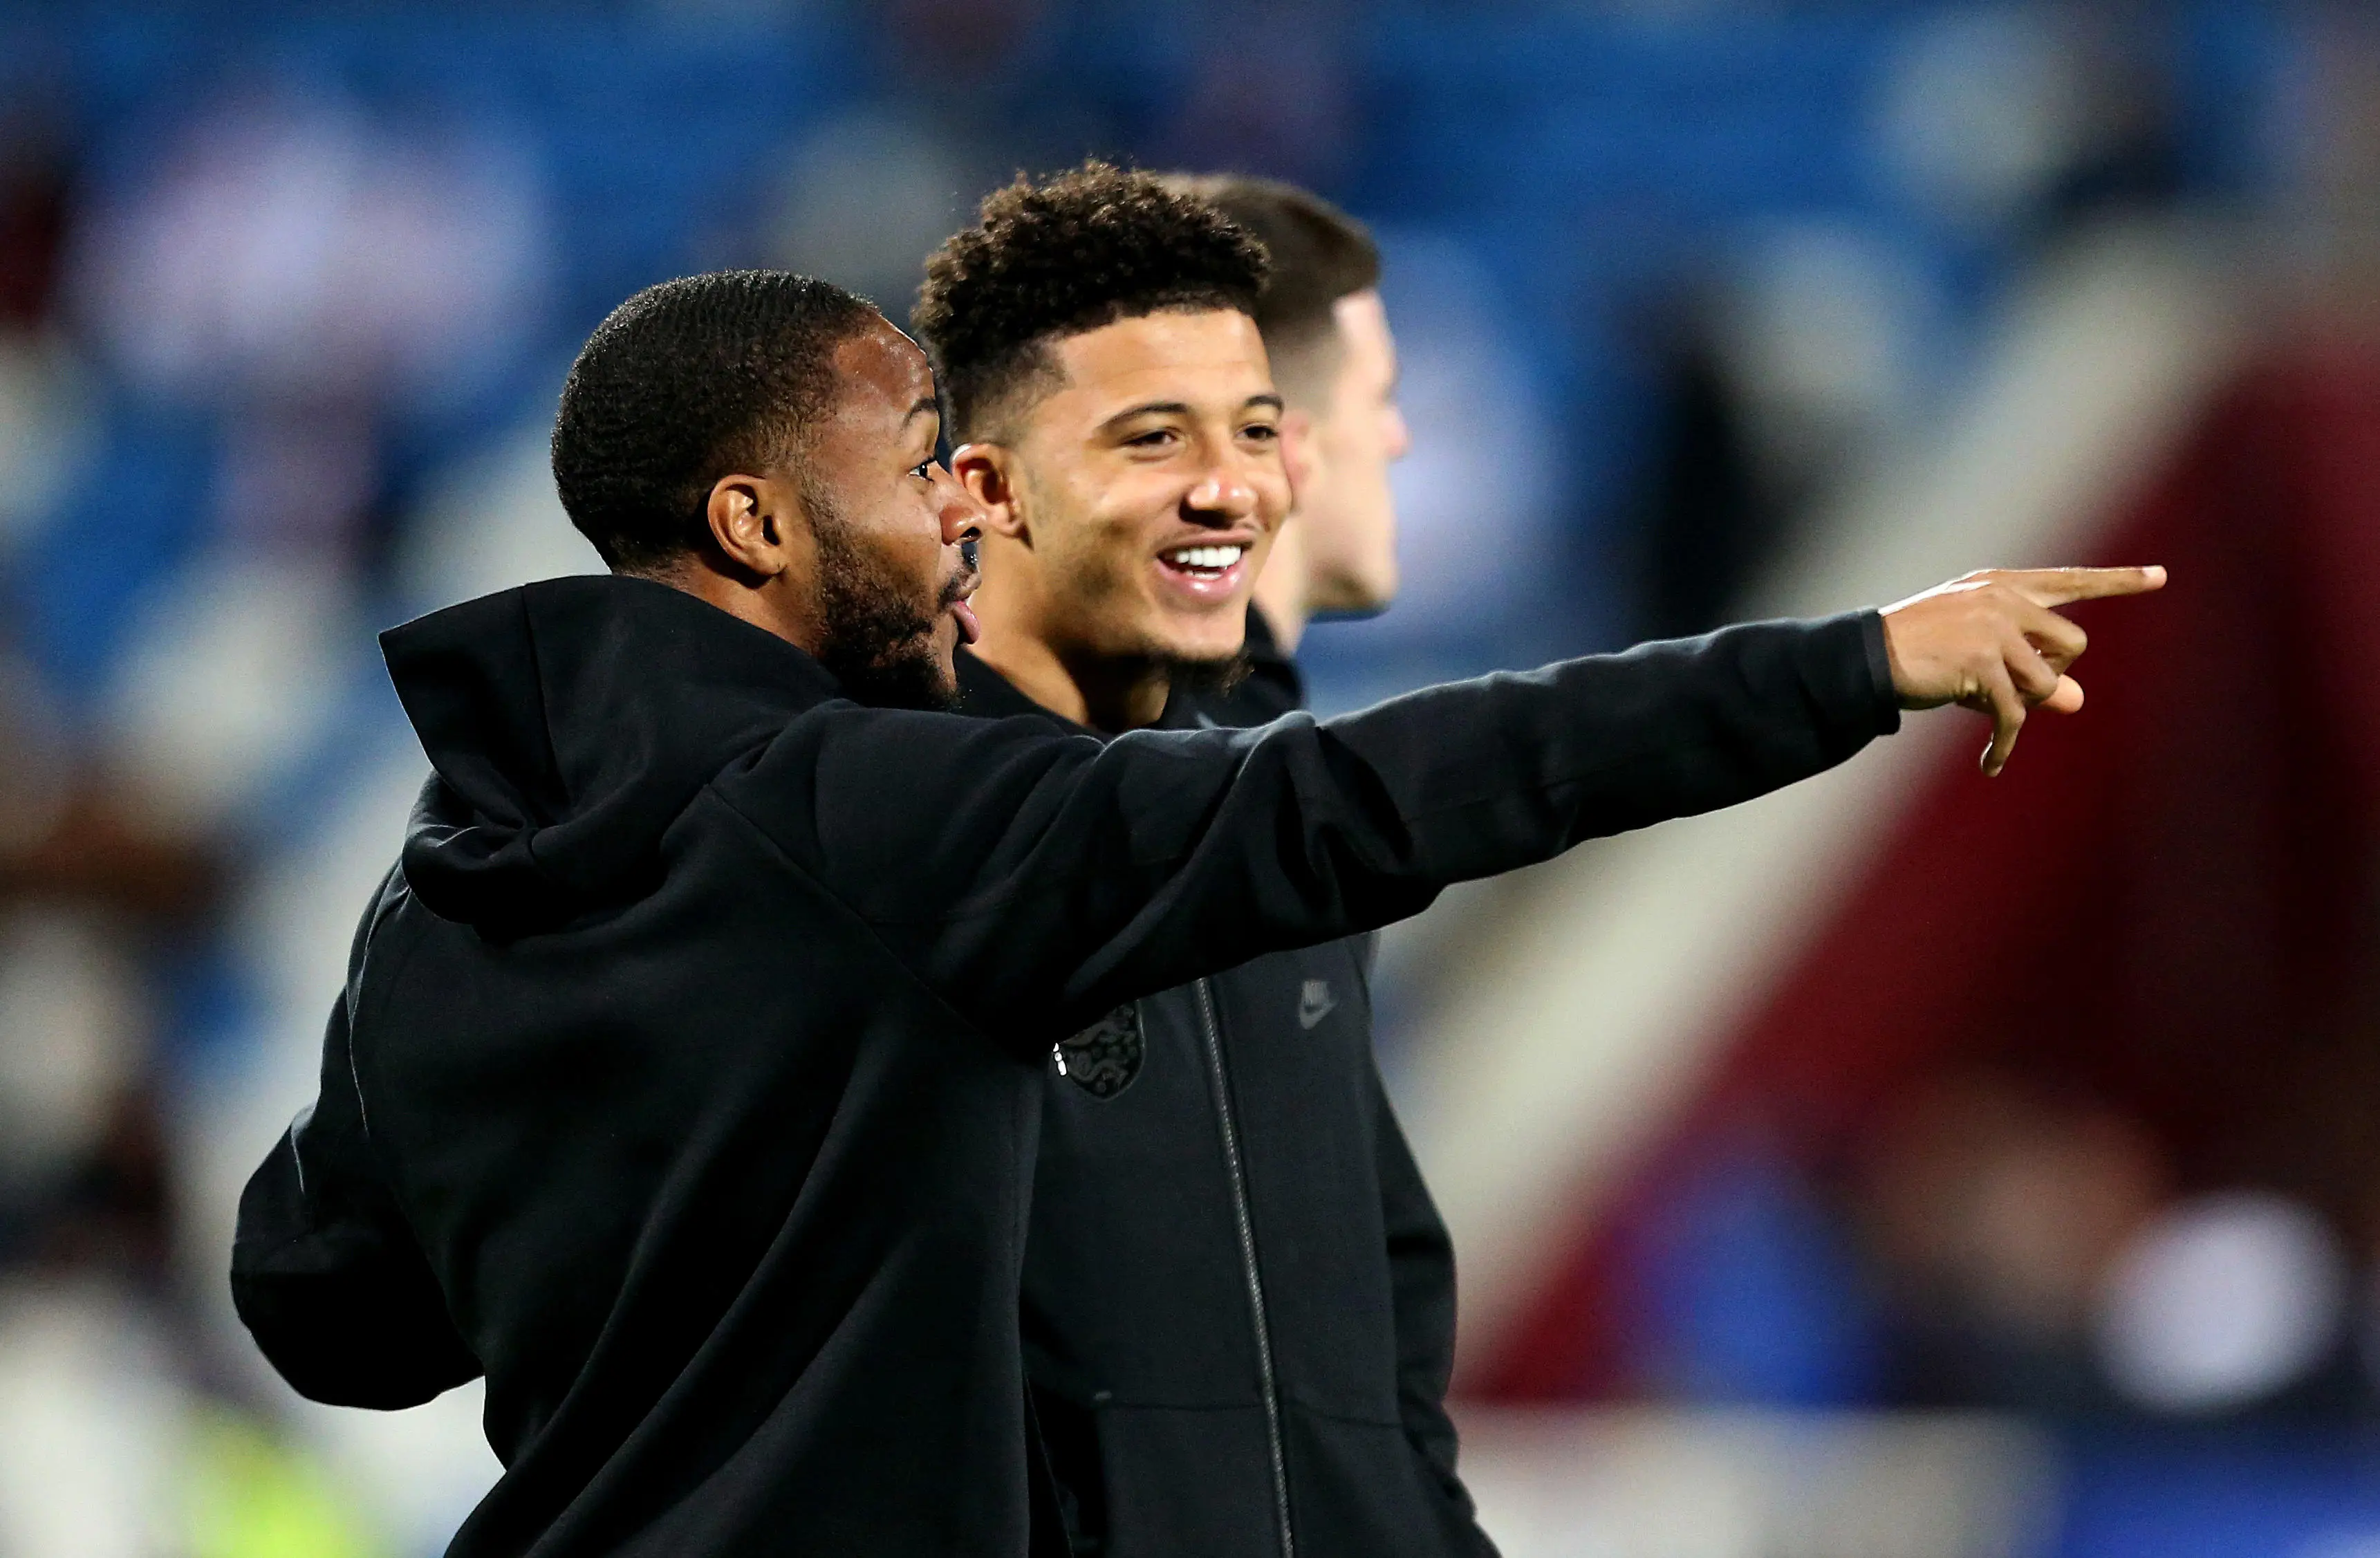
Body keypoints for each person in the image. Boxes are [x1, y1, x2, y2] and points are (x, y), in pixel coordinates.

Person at [232, 254, 2157, 1557]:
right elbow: (1359, 795)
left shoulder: (438, 901)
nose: (972, 506)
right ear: (752, 524)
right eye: (919, 468)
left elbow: (329, 1309)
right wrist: (1842, 666)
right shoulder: (866, 816)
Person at [920, 169, 1491, 1556]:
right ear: (1286, 444)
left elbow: (1359, 1333)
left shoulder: (1275, 792)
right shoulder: (1025, 791)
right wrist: (1860, 664)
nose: (1400, 440)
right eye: (1375, 397)